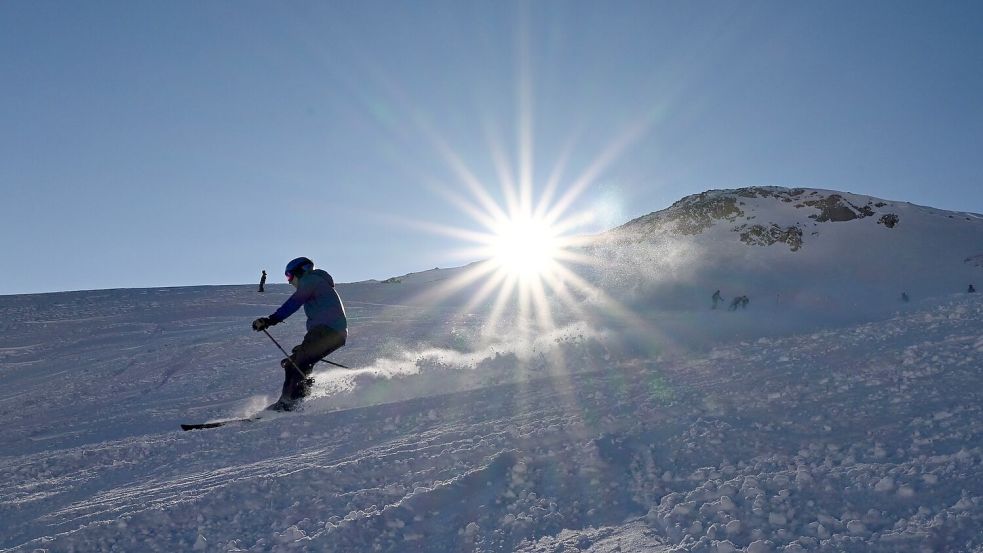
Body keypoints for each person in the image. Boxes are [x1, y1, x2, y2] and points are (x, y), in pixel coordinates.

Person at [252, 257, 348, 411]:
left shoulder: (311, 280)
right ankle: (297, 401)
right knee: (295, 363)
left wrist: (271, 320)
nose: (289, 281)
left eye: (289, 276)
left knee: (297, 364)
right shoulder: (317, 282)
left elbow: (294, 302)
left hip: (327, 330)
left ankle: (289, 403)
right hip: (330, 332)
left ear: (300, 271)